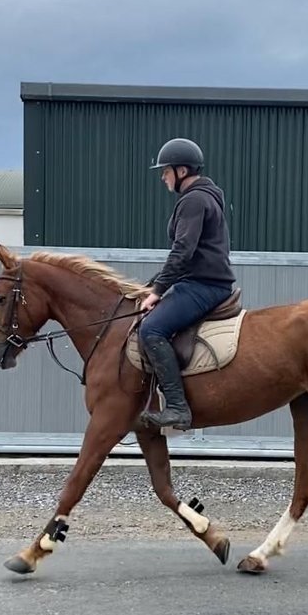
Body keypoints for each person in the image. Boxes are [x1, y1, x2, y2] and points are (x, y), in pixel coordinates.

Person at [138, 137, 237, 430]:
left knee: (152, 328)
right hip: (198, 280)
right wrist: (154, 283)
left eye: (165, 170)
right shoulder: (203, 196)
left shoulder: (193, 200)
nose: (162, 176)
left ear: (182, 171)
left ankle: (178, 408)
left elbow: (183, 251)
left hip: (204, 285)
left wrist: (157, 291)